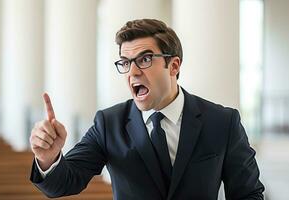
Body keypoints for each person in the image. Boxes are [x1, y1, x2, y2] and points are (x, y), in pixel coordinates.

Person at [29, 19, 264, 199]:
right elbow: (63, 183)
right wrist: (48, 159)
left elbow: (249, 194)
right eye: (125, 62)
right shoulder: (108, 124)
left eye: (145, 59)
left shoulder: (222, 122)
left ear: (173, 65)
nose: (132, 72)